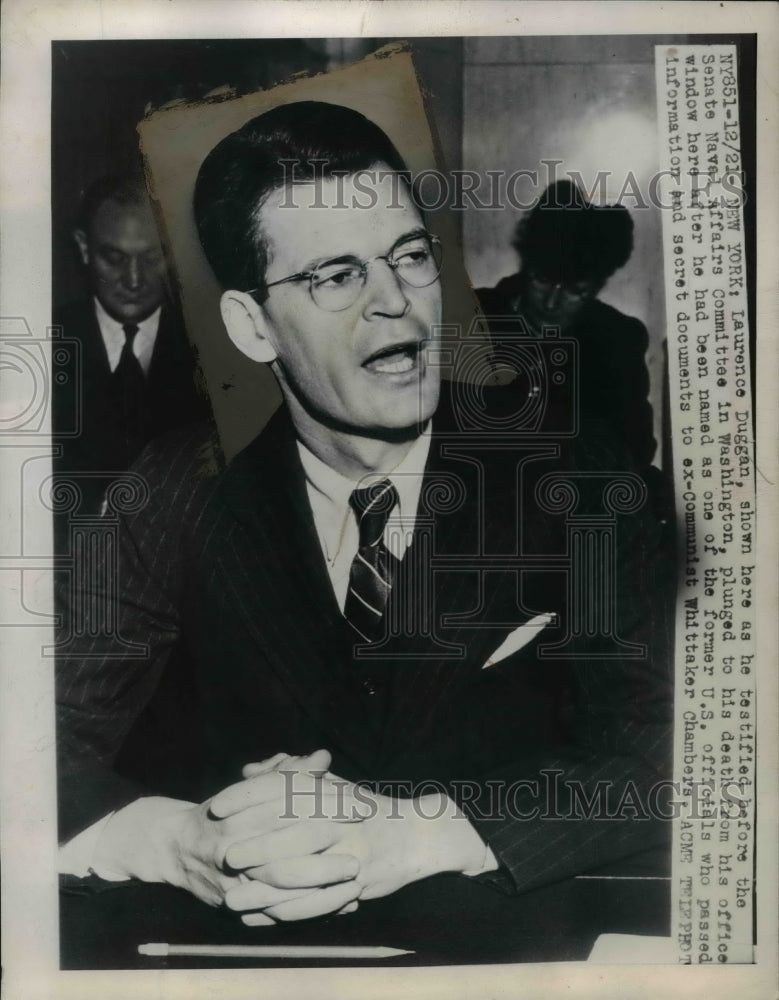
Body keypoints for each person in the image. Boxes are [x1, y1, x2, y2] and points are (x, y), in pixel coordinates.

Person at [57, 103, 672, 929]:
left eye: (409, 257)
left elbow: (667, 752)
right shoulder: (171, 493)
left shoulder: (578, 473)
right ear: (251, 325)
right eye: (336, 276)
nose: (397, 305)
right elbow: (29, 740)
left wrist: (414, 833)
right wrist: (178, 840)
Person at [52, 175, 208, 525]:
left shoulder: (217, 356)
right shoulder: (43, 343)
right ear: (83, 248)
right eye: (114, 258)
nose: (134, 280)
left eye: (152, 257)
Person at [476, 180, 657, 475]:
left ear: (596, 287)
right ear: (528, 266)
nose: (550, 303)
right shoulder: (473, 318)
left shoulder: (617, 341)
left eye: (573, 291)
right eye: (542, 280)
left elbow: (634, 452)